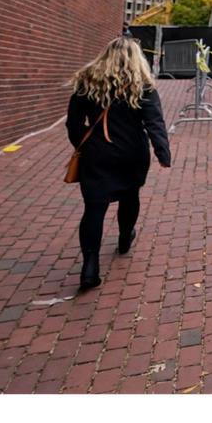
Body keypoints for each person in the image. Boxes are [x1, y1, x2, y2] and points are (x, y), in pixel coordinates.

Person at [66, 36, 171, 291]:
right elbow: (154, 123)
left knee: (94, 208)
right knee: (130, 195)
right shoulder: (143, 86)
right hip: (132, 153)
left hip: (97, 155)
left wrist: (86, 144)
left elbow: (73, 123)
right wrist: (162, 152)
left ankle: (90, 267)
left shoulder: (86, 83)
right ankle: (125, 237)